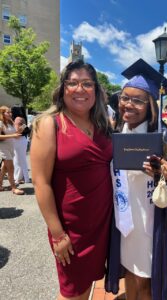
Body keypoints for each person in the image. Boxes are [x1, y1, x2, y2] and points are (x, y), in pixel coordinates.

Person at [105, 59, 167, 300]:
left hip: (149, 223)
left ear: (150, 105)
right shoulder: (112, 135)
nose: (128, 105)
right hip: (123, 221)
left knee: (146, 281)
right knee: (129, 274)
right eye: (125, 98)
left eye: (137, 100)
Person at [30, 60, 113, 300]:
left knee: (85, 287)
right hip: (71, 229)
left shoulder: (101, 124)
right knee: (72, 292)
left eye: (87, 84)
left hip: (100, 225)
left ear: (96, 90)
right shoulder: (49, 123)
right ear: (63, 88)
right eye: (73, 83)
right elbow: (41, 183)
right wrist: (58, 234)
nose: (80, 89)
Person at [0, 106, 24, 195]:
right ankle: (14, 188)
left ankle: (0, 184)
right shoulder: (1, 123)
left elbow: (15, 133)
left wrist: (21, 129)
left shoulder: (10, 121)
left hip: (10, 146)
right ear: (2, 114)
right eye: (8, 112)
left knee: (4, 168)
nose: (10, 113)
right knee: (11, 167)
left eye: (10, 112)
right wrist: (13, 136)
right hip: (3, 147)